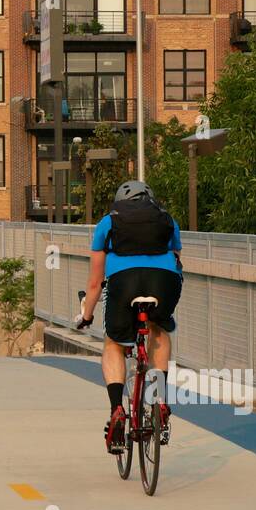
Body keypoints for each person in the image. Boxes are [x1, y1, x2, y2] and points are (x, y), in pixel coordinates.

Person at [75, 180, 182, 451]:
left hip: (124, 283)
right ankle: (158, 402)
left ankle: (117, 410)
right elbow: (177, 262)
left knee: (113, 342)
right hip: (164, 281)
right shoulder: (168, 220)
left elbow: (95, 283)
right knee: (159, 329)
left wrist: (86, 316)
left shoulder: (107, 223)